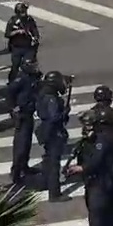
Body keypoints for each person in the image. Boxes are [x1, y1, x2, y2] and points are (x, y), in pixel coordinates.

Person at [66, 107, 113, 226]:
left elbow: (97, 159)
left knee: (97, 218)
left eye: (88, 125)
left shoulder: (102, 139)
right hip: (100, 182)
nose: (85, 128)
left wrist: (82, 168)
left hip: (101, 184)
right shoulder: (94, 137)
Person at [36, 70, 73, 199]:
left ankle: (45, 183)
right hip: (52, 132)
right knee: (53, 163)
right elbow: (54, 117)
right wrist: (65, 112)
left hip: (47, 130)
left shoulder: (44, 93)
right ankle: (54, 193)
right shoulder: (51, 98)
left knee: (48, 160)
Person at [7, 58, 44, 186]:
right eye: (33, 65)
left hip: (29, 113)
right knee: (21, 145)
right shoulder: (20, 80)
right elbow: (10, 93)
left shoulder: (33, 77)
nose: (36, 67)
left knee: (27, 143)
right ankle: (16, 173)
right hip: (21, 115)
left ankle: (24, 167)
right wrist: (14, 108)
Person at [4, 2, 41, 83]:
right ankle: (12, 82)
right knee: (15, 66)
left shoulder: (29, 19)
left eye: (25, 11)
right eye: (22, 12)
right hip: (16, 48)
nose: (24, 14)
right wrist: (17, 32)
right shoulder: (12, 21)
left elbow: (34, 30)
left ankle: (33, 81)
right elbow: (7, 34)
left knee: (29, 65)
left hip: (28, 47)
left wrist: (35, 38)